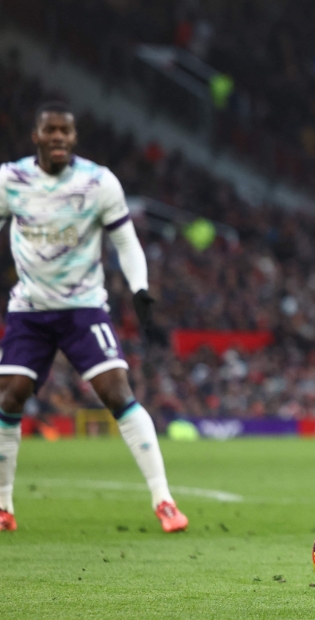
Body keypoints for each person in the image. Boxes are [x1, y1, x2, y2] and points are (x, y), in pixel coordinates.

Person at [0, 102, 187, 533]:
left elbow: (126, 241)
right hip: (29, 308)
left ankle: (164, 502)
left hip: (83, 306)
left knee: (118, 392)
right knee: (10, 396)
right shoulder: (11, 180)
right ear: (37, 136)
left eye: (66, 130)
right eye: (51, 130)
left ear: (74, 137)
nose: (59, 137)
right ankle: (5, 506)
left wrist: (139, 288)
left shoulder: (98, 182)